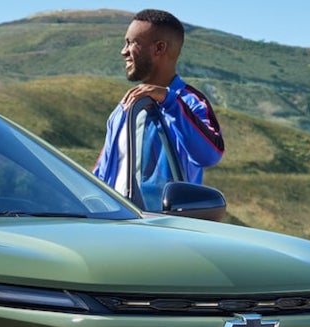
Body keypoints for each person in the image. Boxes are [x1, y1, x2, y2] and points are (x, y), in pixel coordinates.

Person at [92, 9, 225, 211]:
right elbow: (101, 174)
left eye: (131, 43)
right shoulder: (125, 107)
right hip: (115, 224)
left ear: (159, 48)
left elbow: (210, 155)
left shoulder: (191, 102)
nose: (123, 51)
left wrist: (169, 102)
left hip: (163, 226)